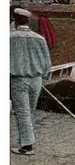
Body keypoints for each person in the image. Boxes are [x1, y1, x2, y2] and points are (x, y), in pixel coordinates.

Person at [10, 8, 52, 155]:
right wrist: (44, 75)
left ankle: (26, 146)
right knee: (30, 112)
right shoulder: (39, 38)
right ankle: (28, 141)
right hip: (36, 80)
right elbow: (47, 62)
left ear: (14, 20)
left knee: (22, 113)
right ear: (28, 21)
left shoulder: (10, 37)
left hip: (19, 79)